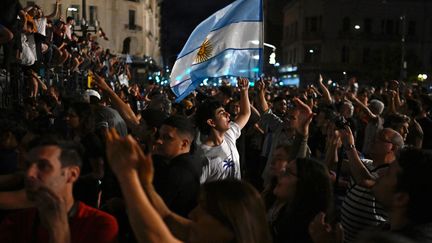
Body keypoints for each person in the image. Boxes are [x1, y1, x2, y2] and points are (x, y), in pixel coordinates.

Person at [105, 128, 272, 243]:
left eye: (204, 210)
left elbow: (154, 237)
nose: (192, 214)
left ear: (230, 225)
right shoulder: (209, 235)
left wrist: (126, 174)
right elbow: (165, 217)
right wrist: (144, 183)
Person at [0, 136, 118, 243]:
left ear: (72, 174)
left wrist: (58, 233)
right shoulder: (15, 223)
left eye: (43, 166)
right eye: (27, 165)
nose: (29, 174)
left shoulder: (99, 224)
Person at [339, 127, 404, 242]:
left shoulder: (391, 174)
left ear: (392, 147)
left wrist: (350, 147)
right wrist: (332, 143)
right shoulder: (365, 163)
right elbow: (333, 165)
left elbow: (364, 180)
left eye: (379, 139)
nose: (373, 141)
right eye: (374, 138)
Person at [195, 77, 251, 182]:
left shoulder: (229, 135)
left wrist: (244, 91)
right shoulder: (203, 156)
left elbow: (245, 114)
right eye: (222, 113)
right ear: (211, 122)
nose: (228, 114)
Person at [269, 157, 334, 243]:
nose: (280, 173)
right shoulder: (284, 211)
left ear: (305, 184)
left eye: (288, 173)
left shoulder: (308, 233)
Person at [152, 115, 202, 216]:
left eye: (167, 138)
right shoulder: (195, 158)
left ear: (184, 144)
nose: (159, 141)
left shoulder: (175, 173)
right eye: (159, 136)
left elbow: (153, 212)